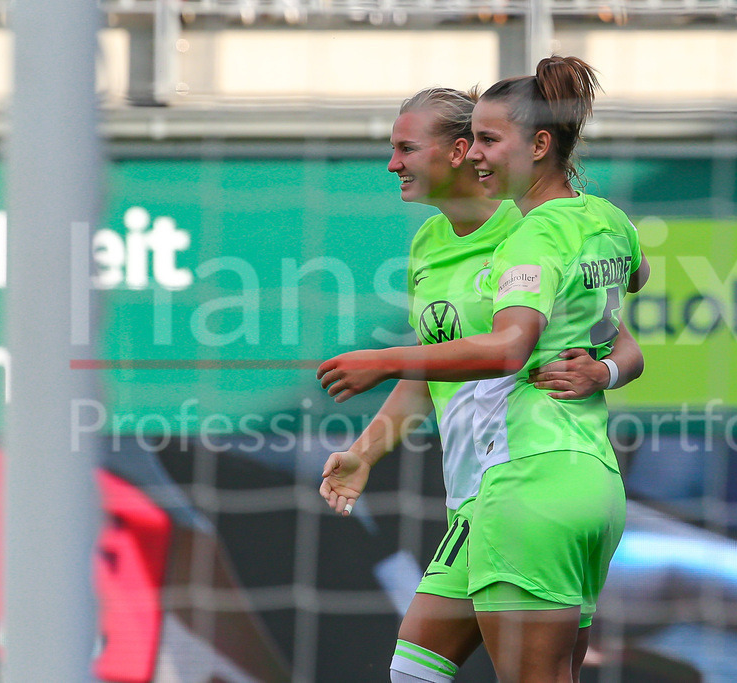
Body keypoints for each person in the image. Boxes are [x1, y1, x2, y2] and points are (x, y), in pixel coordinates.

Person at [319, 65, 647, 682]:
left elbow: (597, 340)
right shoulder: (430, 245)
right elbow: (431, 370)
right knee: (414, 673)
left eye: (405, 147)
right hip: (481, 500)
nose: (393, 164)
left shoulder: (529, 227)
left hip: (525, 479)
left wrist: (602, 370)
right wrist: (366, 453)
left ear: (461, 150)